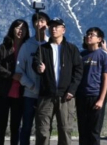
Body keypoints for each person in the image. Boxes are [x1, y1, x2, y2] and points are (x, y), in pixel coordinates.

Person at [33, 17, 83, 145]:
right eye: (51, 27)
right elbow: (35, 63)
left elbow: (78, 71)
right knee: (42, 131)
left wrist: (72, 90)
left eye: (57, 26)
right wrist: (39, 67)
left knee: (65, 131)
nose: (53, 29)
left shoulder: (72, 49)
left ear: (63, 30)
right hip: (46, 96)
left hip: (66, 97)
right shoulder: (42, 48)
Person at [0, 19, 30, 145]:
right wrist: (11, 75)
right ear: (12, 29)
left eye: (23, 28)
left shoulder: (28, 48)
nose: (20, 30)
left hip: (20, 93)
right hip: (3, 92)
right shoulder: (4, 47)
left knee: (15, 126)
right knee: (1, 126)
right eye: (18, 27)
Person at [76, 27, 107, 145]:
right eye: (87, 34)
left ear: (99, 39)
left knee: (94, 131)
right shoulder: (81, 55)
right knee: (83, 130)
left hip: (96, 95)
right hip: (82, 96)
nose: (88, 36)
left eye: (92, 35)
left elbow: (105, 78)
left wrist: (101, 99)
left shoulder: (103, 56)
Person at [16, 11, 50, 145]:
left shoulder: (52, 45)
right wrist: (31, 86)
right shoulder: (27, 46)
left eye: (42, 21)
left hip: (46, 95)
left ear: (47, 25)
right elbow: (19, 70)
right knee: (26, 127)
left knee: (44, 128)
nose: (39, 24)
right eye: (36, 21)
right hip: (29, 94)